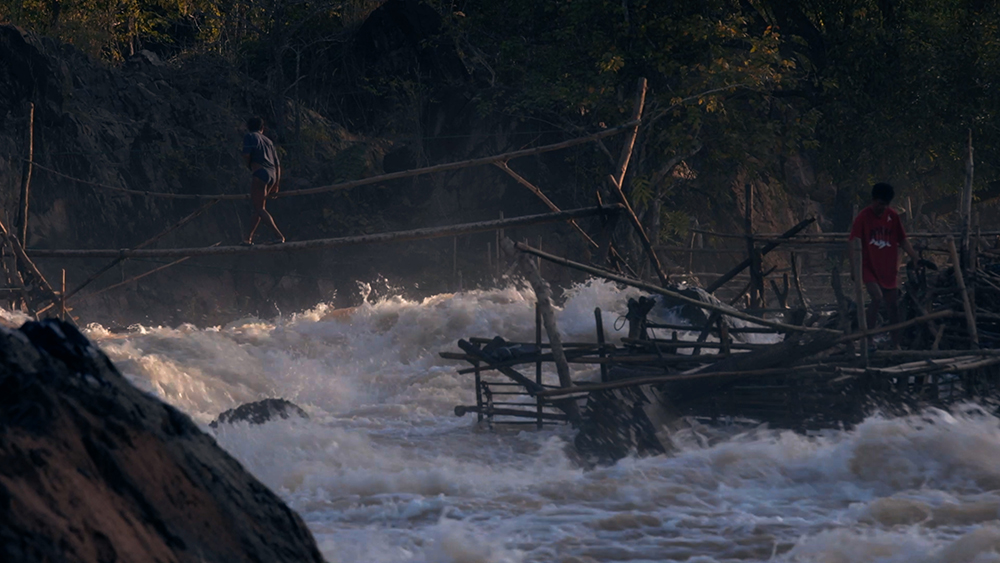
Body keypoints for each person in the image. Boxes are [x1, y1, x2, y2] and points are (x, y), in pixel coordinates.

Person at [848, 182, 919, 348]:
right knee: (877, 297)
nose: (882, 207)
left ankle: (896, 343)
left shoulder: (892, 217)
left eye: (885, 204)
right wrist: (854, 268)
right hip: (868, 266)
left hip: (888, 268)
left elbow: (902, 240)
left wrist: (914, 256)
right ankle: (868, 337)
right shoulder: (863, 217)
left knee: (893, 305)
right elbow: (853, 242)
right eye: (880, 204)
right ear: (873, 200)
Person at [241, 117, 285, 245]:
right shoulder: (269, 141)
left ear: (248, 127)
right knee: (258, 208)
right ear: (262, 128)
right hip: (272, 175)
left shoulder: (250, 136)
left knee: (259, 208)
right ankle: (247, 238)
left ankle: (279, 236)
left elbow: (246, 155)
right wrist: (276, 183)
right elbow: (277, 164)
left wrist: (249, 165)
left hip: (260, 173)